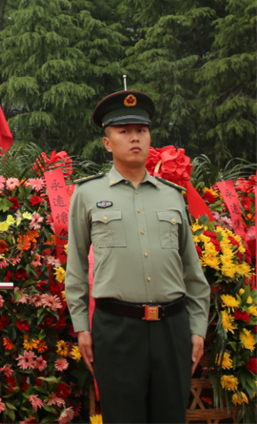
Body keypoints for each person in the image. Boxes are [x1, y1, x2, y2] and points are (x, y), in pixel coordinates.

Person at [65, 90, 211, 423]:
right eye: (124, 131)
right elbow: (76, 267)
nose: (135, 138)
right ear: (107, 142)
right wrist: (81, 327)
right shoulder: (87, 194)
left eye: (141, 130)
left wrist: (198, 328)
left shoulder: (172, 196)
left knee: (170, 416)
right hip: (116, 330)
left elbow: (192, 270)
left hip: (172, 328)